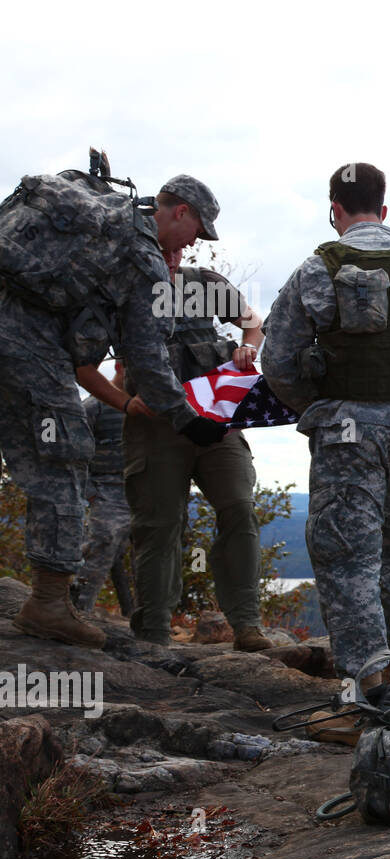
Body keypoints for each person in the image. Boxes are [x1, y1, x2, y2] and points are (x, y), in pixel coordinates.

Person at [261, 163, 390, 706]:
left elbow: (277, 360)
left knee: (348, 561)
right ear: (384, 209)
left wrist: (325, 407)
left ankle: (365, 696)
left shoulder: (315, 270)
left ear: (334, 209)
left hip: (345, 436)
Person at [0, 166, 227, 649]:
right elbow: (146, 355)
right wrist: (186, 416)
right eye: (196, 232)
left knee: (41, 451)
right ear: (180, 212)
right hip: (25, 344)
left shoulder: (100, 219)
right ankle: (48, 604)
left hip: (11, 325)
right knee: (63, 455)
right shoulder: (139, 254)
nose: (191, 245)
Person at [119, 186, 273, 649]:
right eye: (179, 242)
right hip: (156, 428)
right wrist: (124, 402)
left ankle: (246, 625)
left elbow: (254, 321)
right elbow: (90, 362)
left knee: (239, 508)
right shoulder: (126, 286)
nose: (181, 250)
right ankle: (155, 632)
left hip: (214, 422)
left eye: (186, 246)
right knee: (160, 525)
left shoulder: (203, 284)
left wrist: (248, 347)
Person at [70, 361, 137, 614]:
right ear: (120, 366)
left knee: (153, 551)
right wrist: (91, 493)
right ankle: (79, 608)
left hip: (144, 489)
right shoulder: (94, 406)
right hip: (107, 489)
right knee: (102, 543)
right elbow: (75, 454)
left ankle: (146, 619)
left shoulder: (149, 406)